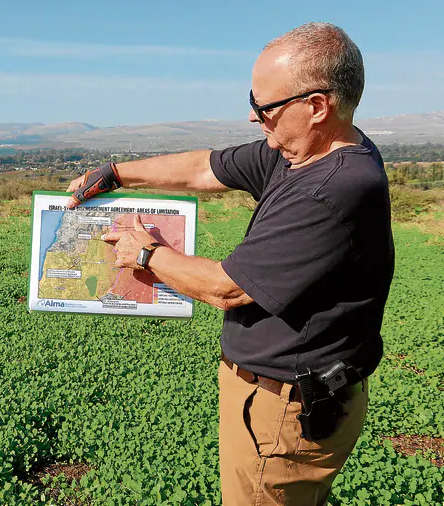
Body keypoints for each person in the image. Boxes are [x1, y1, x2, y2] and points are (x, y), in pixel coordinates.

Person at [65, 22, 394, 506]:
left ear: (317, 106)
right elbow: (205, 166)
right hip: (288, 400)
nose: (254, 118)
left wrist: (146, 254)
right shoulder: (302, 152)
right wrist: (116, 174)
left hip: (286, 410)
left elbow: (226, 288)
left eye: (265, 108)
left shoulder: (330, 189)